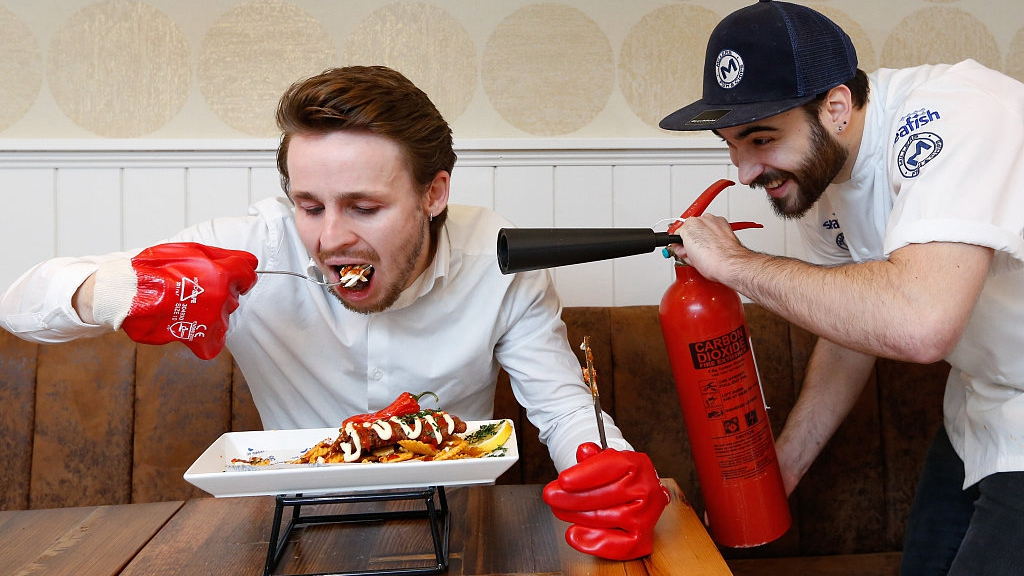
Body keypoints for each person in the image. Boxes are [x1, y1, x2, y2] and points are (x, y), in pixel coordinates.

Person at [0, 65, 668, 561]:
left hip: (458, 530)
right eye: (310, 205)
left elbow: (564, 409)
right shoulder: (251, 249)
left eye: (364, 207)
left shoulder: (498, 256)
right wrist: (120, 291)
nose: (330, 239)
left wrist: (609, 477)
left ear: (434, 193)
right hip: (296, 539)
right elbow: (20, 304)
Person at [659, 1, 1024, 574]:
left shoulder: (961, 115)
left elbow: (921, 324)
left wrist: (737, 265)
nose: (744, 171)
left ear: (835, 107)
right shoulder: (818, 174)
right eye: (731, 144)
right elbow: (853, 325)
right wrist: (784, 464)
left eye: (761, 139)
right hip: (980, 406)